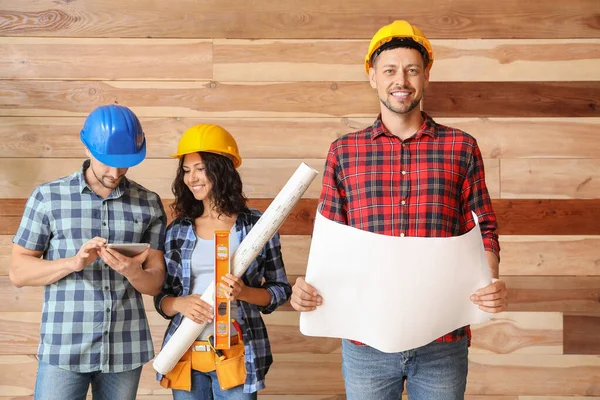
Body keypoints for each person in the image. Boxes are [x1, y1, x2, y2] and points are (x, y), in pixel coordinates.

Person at [290, 20, 508, 400]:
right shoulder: (344, 152)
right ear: (372, 77)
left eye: (411, 70)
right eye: (390, 70)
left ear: (426, 76)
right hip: (365, 342)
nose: (400, 80)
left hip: (443, 338)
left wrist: (487, 279)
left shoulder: (461, 148)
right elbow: (331, 239)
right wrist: (309, 290)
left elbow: (483, 226)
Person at [9, 104, 167, 400]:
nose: (116, 171)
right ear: (86, 147)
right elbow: (18, 272)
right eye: (107, 161)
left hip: (125, 347)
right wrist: (74, 262)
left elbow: (156, 281)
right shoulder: (48, 198)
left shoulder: (149, 203)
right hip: (64, 348)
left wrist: (132, 271)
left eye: (125, 162)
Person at [154, 124, 292, 399]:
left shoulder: (256, 226)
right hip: (185, 354)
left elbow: (280, 290)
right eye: (186, 170)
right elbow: (162, 299)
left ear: (222, 170)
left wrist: (244, 292)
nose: (191, 177)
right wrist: (180, 303)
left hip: (237, 354)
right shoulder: (178, 230)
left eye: (200, 168)